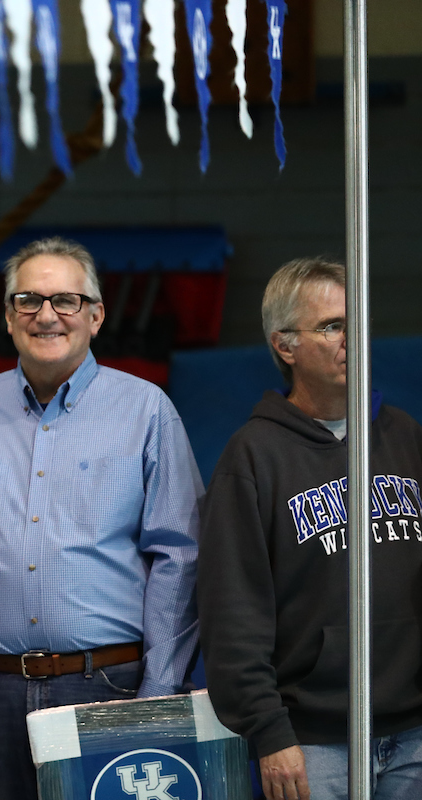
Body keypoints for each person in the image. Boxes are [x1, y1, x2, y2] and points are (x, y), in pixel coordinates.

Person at [0, 237, 202, 800]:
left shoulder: (146, 410)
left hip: (106, 687)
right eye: (29, 300)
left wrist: (158, 689)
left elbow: (179, 556)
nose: (47, 315)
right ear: (9, 317)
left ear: (96, 315)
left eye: (66, 300)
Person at [199, 258, 422, 800]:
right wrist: (269, 732)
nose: (352, 337)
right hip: (312, 743)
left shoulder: (404, 435)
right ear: (285, 346)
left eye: (357, 319)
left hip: (414, 733)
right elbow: (233, 615)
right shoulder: (252, 457)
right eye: (331, 326)